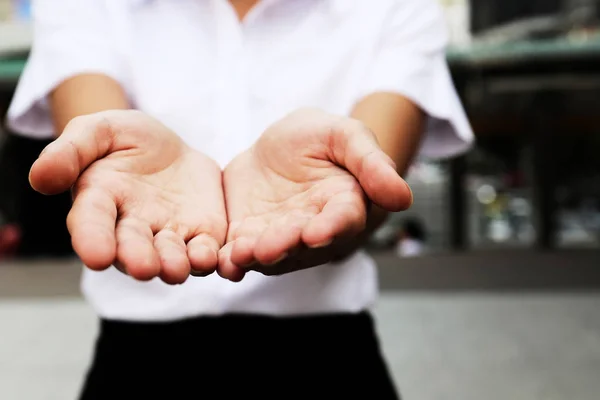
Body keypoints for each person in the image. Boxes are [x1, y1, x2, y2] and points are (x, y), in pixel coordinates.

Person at [6, 0, 474, 398]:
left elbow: (371, 183)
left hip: (331, 357)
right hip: (135, 361)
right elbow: (98, 128)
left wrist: (342, 182)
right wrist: (116, 158)